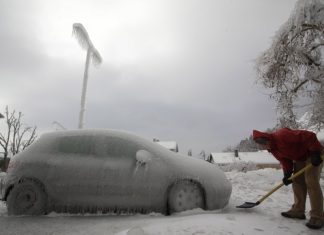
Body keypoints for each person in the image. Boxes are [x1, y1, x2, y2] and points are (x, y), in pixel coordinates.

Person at [252, 128, 324, 230]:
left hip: (313, 153)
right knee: (297, 181)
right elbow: (285, 160)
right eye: (260, 144)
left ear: (266, 138)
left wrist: (316, 152)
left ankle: (317, 216)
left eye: (263, 142)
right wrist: (287, 174)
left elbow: (310, 136)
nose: (263, 146)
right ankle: (298, 211)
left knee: (311, 181)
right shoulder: (273, 149)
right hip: (300, 157)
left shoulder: (282, 135)